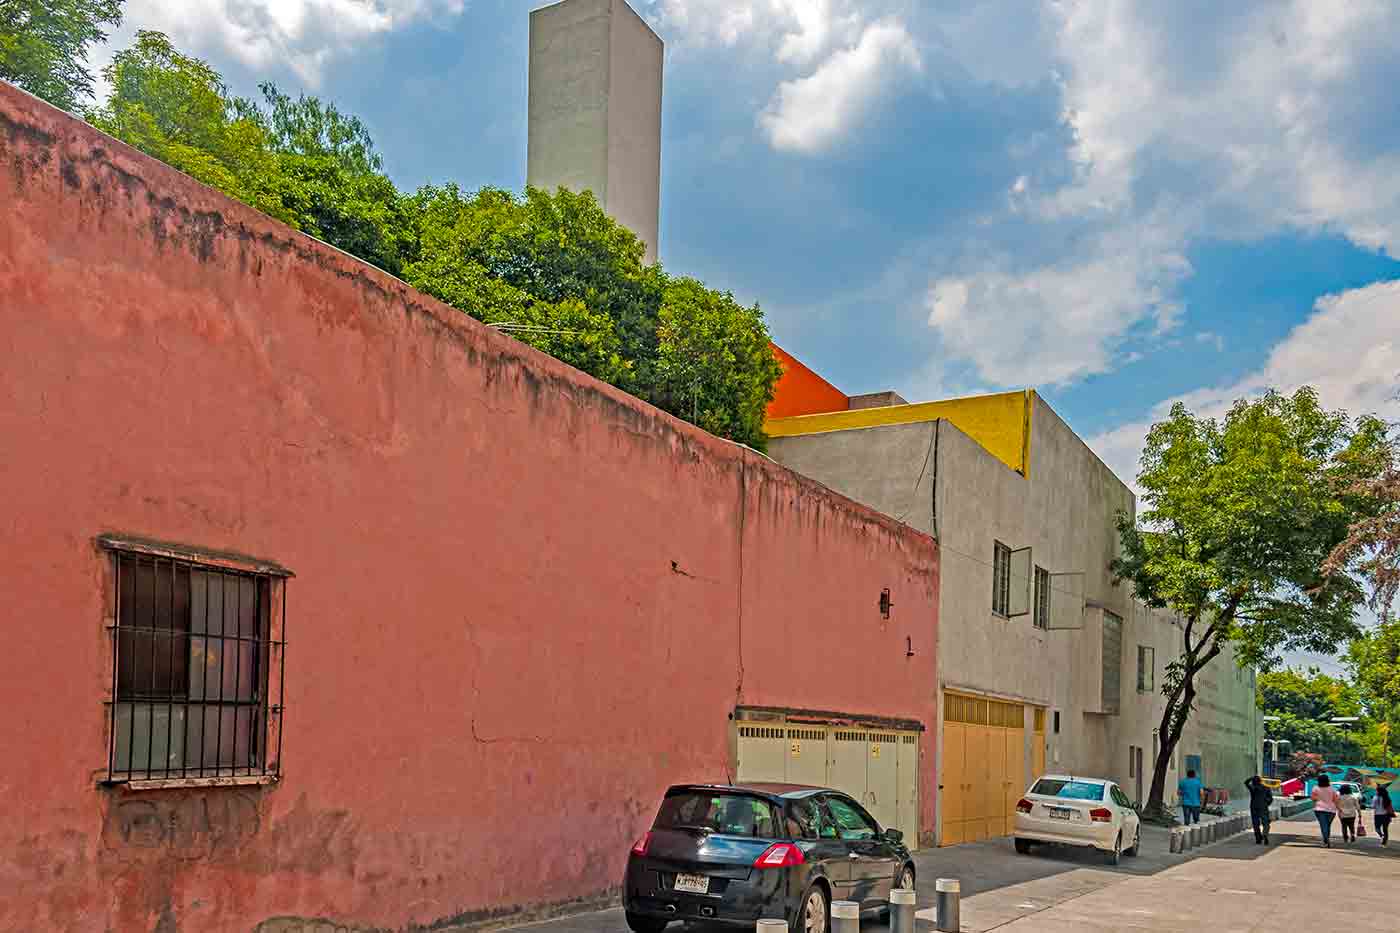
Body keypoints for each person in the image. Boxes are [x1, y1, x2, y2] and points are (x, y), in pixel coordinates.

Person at [1311, 774, 1340, 847]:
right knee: (1327, 826)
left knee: (1323, 825)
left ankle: (1326, 841)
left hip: (1319, 809)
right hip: (1331, 810)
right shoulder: (1332, 789)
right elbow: (1335, 800)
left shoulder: (1315, 788)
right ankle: (1326, 840)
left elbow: (1313, 798)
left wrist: (1319, 798)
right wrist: (1339, 808)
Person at [1245, 775, 1274, 844]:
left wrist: (1251, 778)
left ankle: (1258, 838)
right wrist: (1266, 804)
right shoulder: (1266, 788)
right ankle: (1265, 835)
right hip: (1263, 807)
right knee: (1266, 822)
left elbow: (1246, 782)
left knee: (1255, 823)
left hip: (1254, 807)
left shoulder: (1253, 788)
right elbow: (1271, 799)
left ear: (1253, 782)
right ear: (1260, 781)